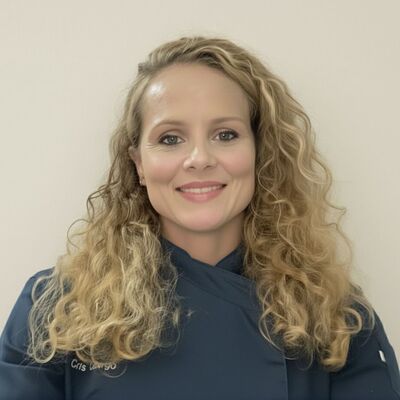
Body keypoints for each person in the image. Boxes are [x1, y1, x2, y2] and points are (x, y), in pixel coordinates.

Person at [0, 35, 399, 400]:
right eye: (170, 138)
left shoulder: (334, 316)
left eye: (225, 135)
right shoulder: (55, 309)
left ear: (260, 152)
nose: (199, 159)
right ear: (138, 164)